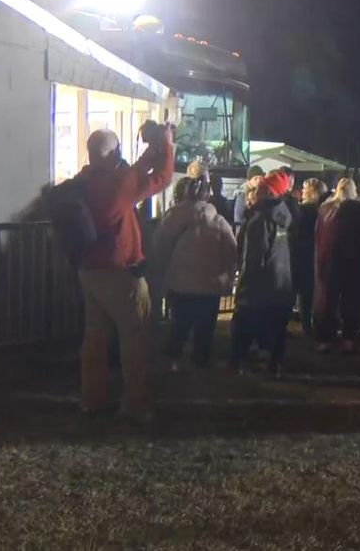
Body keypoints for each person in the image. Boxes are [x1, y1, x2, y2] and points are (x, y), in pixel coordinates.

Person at [74, 123, 174, 422]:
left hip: (89, 272)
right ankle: (136, 403)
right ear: (113, 153)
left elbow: (133, 173)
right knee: (135, 337)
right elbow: (162, 178)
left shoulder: (83, 181)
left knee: (95, 339)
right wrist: (166, 146)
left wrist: (148, 154)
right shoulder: (117, 186)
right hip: (120, 274)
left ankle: (92, 399)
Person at [151, 173, 238, 371]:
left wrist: (161, 278)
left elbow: (159, 248)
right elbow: (231, 253)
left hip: (180, 286)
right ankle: (200, 363)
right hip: (210, 287)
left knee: (179, 327)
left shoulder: (173, 218)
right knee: (205, 330)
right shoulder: (218, 220)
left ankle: (171, 362)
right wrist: (226, 279)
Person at [230, 172, 294, 376]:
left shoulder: (258, 221)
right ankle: (275, 365)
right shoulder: (284, 217)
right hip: (281, 284)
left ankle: (236, 364)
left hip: (259, 287)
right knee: (276, 330)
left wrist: (243, 289)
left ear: (268, 192)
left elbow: (253, 259)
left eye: (259, 189)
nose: (254, 192)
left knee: (244, 325)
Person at [313, 178, 360, 353]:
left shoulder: (326, 209)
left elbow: (320, 237)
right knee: (351, 301)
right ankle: (348, 338)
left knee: (329, 300)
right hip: (354, 262)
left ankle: (325, 338)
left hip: (330, 259)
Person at [288, 178, 327, 336]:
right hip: (314, 255)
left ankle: (294, 324)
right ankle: (307, 326)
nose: (302, 191)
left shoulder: (302, 211)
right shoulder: (321, 211)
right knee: (308, 293)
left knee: (296, 292)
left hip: (299, 254)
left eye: (305, 188)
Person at [232, 165, 266, 231]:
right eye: (255, 178)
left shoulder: (257, 190)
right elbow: (239, 217)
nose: (258, 180)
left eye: (260, 178)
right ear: (249, 180)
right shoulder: (242, 193)